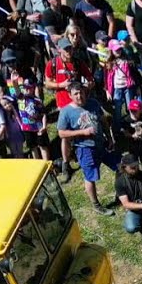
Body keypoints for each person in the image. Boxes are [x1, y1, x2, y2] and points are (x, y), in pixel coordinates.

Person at [57, 82, 119, 216]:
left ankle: (121, 193)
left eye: (81, 92)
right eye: (76, 94)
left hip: (101, 144)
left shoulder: (93, 103)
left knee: (120, 166)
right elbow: (61, 133)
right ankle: (96, 205)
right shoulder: (66, 112)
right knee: (90, 177)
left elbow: (103, 120)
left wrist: (109, 137)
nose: (79, 96)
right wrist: (82, 132)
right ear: (70, 96)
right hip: (85, 149)